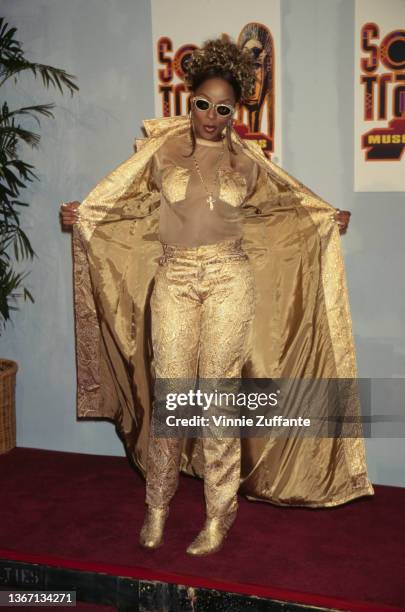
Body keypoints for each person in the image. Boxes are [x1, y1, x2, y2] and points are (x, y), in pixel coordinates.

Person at [60, 36, 374, 557]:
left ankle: (217, 516)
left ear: (235, 113)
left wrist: (327, 217)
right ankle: (157, 508)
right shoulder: (160, 151)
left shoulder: (250, 163)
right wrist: (87, 214)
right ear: (190, 101)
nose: (209, 114)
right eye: (201, 103)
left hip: (230, 279)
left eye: (221, 107)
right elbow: (132, 208)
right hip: (175, 279)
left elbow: (285, 210)